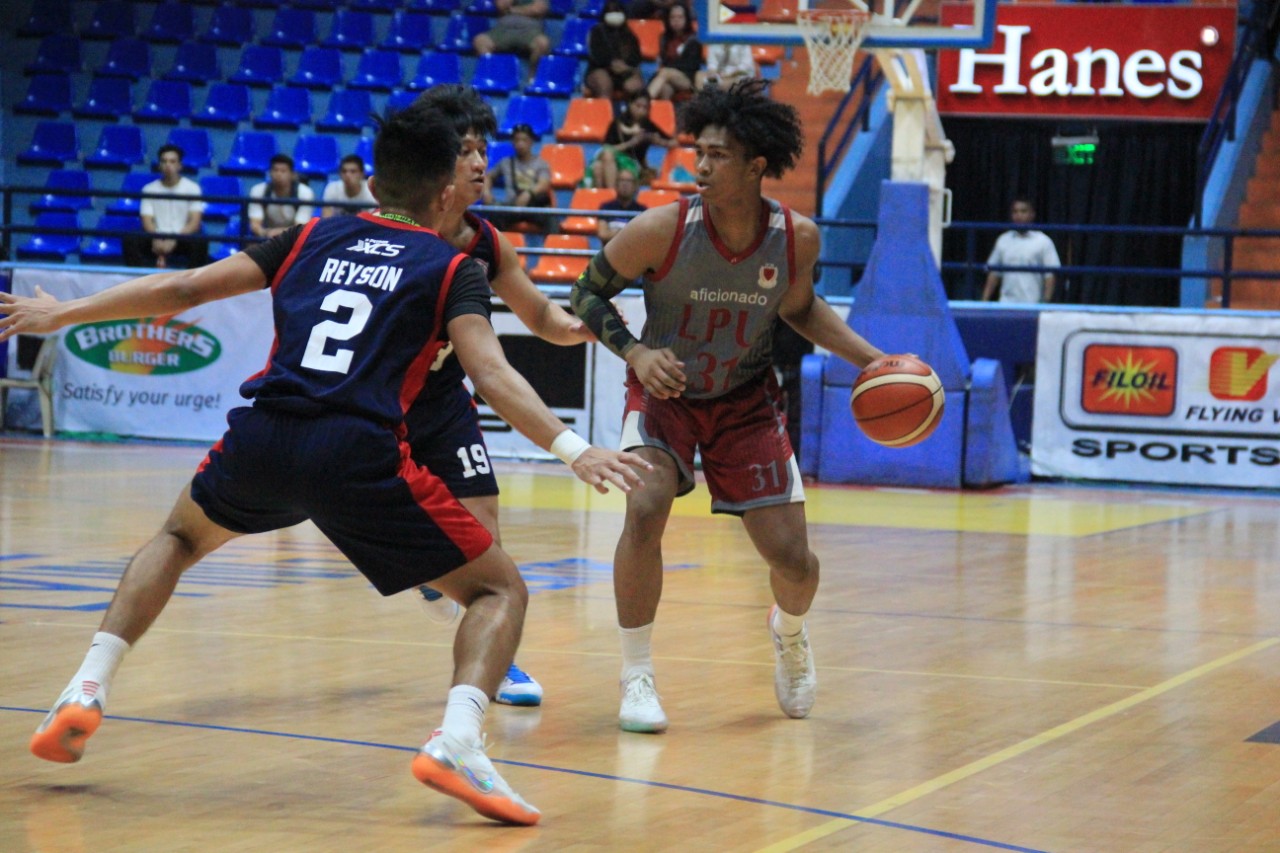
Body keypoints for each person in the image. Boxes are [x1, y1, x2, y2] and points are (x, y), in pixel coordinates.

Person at [4, 103, 650, 825]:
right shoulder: (451, 267)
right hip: (359, 453)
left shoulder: (310, 233)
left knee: (178, 538)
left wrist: (61, 313)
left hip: (265, 435)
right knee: (499, 589)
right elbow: (493, 374)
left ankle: (86, 686)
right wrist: (573, 448)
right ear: (445, 193)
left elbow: (183, 289)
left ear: (373, 185)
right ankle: (459, 740)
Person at [569, 79, 885, 733]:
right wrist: (636, 352)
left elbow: (801, 310)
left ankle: (789, 632)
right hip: (665, 394)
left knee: (794, 562)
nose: (701, 166)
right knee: (645, 506)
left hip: (745, 401)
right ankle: (636, 676)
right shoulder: (662, 229)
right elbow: (586, 293)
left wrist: (872, 361)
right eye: (699, 152)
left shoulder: (796, 239)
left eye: (717, 155)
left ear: (755, 165)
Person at [410, 84, 602, 706]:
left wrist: (577, 328)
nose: (479, 163)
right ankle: (433, 574)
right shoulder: (394, 230)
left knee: (484, 529)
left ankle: (498, 660)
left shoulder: (488, 243)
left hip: (443, 402)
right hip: (378, 403)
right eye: (465, 151)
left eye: (482, 151)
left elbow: (540, 314)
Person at [123, 144, 209, 269]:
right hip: (155, 237)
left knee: (201, 241)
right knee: (130, 239)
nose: (168, 165)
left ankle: (193, 279)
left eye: (172, 161)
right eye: (164, 161)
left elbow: (194, 222)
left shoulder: (193, 188)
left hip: (182, 237)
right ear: (159, 165)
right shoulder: (149, 189)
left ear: (180, 165)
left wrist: (175, 239)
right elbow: (146, 220)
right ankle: (139, 278)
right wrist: (156, 238)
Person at [591, 90, 676, 190]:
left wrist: (659, 141)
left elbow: (673, 142)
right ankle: (608, 195)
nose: (641, 110)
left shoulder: (647, 125)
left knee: (607, 166)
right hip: (613, 161)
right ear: (630, 104)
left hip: (634, 164)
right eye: (638, 106)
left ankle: (611, 194)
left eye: (645, 108)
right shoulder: (617, 123)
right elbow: (607, 148)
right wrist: (631, 143)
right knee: (599, 166)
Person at [982, 197, 1061, 304]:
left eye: (1023, 211)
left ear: (1032, 214)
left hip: (1032, 304)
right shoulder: (1003, 240)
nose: (1019, 215)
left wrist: (1044, 303)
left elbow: (1050, 276)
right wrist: (984, 302)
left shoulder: (1043, 241)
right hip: (1006, 304)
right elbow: (994, 273)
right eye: (1015, 212)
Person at [482, 123, 556, 233]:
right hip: (513, 206)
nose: (520, 144)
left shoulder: (540, 163)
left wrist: (529, 194)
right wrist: (486, 192)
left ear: (531, 142)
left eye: (524, 140)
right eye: (517, 140)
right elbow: (488, 176)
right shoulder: (506, 162)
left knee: (550, 219)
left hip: (533, 207)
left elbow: (544, 183)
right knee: (494, 217)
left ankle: (553, 243)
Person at [473, 0, 551, 84]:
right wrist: (527, 10)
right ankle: (492, 76)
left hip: (530, 31)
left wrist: (513, 10)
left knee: (543, 43)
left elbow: (538, 9)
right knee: (480, 41)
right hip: (503, 31)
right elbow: (502, 5)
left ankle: (533, 78)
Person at [584, 0, 645, 101]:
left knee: (635, 85)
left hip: (625, 71)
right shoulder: (596, 32)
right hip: (600, 69)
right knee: (604, 83)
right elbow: (596, 56)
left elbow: (636, 58)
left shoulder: (629, 34)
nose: (614, 15)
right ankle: (605, 110)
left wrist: (626, 68)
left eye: (617, 11)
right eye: (611, 12)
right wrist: (611, 64)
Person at [248, 154, 316, 239]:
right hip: (267, 238)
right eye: (275, 170)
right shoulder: (257, 191)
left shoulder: (305, 193)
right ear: (270, 173)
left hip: (293, 239)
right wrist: (265, 233)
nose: (278, 174)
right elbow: (255, 224)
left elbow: (300, 227)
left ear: (292, 175)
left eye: (283, 171)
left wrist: (278, 232)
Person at [645, 3, 701, 102]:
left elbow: (691, 65)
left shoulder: (694, 39)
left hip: (687, 78)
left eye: (680, 17)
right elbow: (663, 61)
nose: (676, 20)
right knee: (665, 89)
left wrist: (669, 68)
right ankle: (661, 111)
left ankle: (644, 101)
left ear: (686, 19)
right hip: (667, 76)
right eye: (673, 17)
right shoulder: (664, 38)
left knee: (665, 72)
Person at [597, 167, 646, 244]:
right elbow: (603, 234)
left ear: (635, 186)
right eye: (622, 180)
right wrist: (629, 233)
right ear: (616, 185)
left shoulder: (642, 210)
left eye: (629, 181)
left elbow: (643, 236)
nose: (625, 184)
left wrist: (615, 233)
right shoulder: (606, 207)